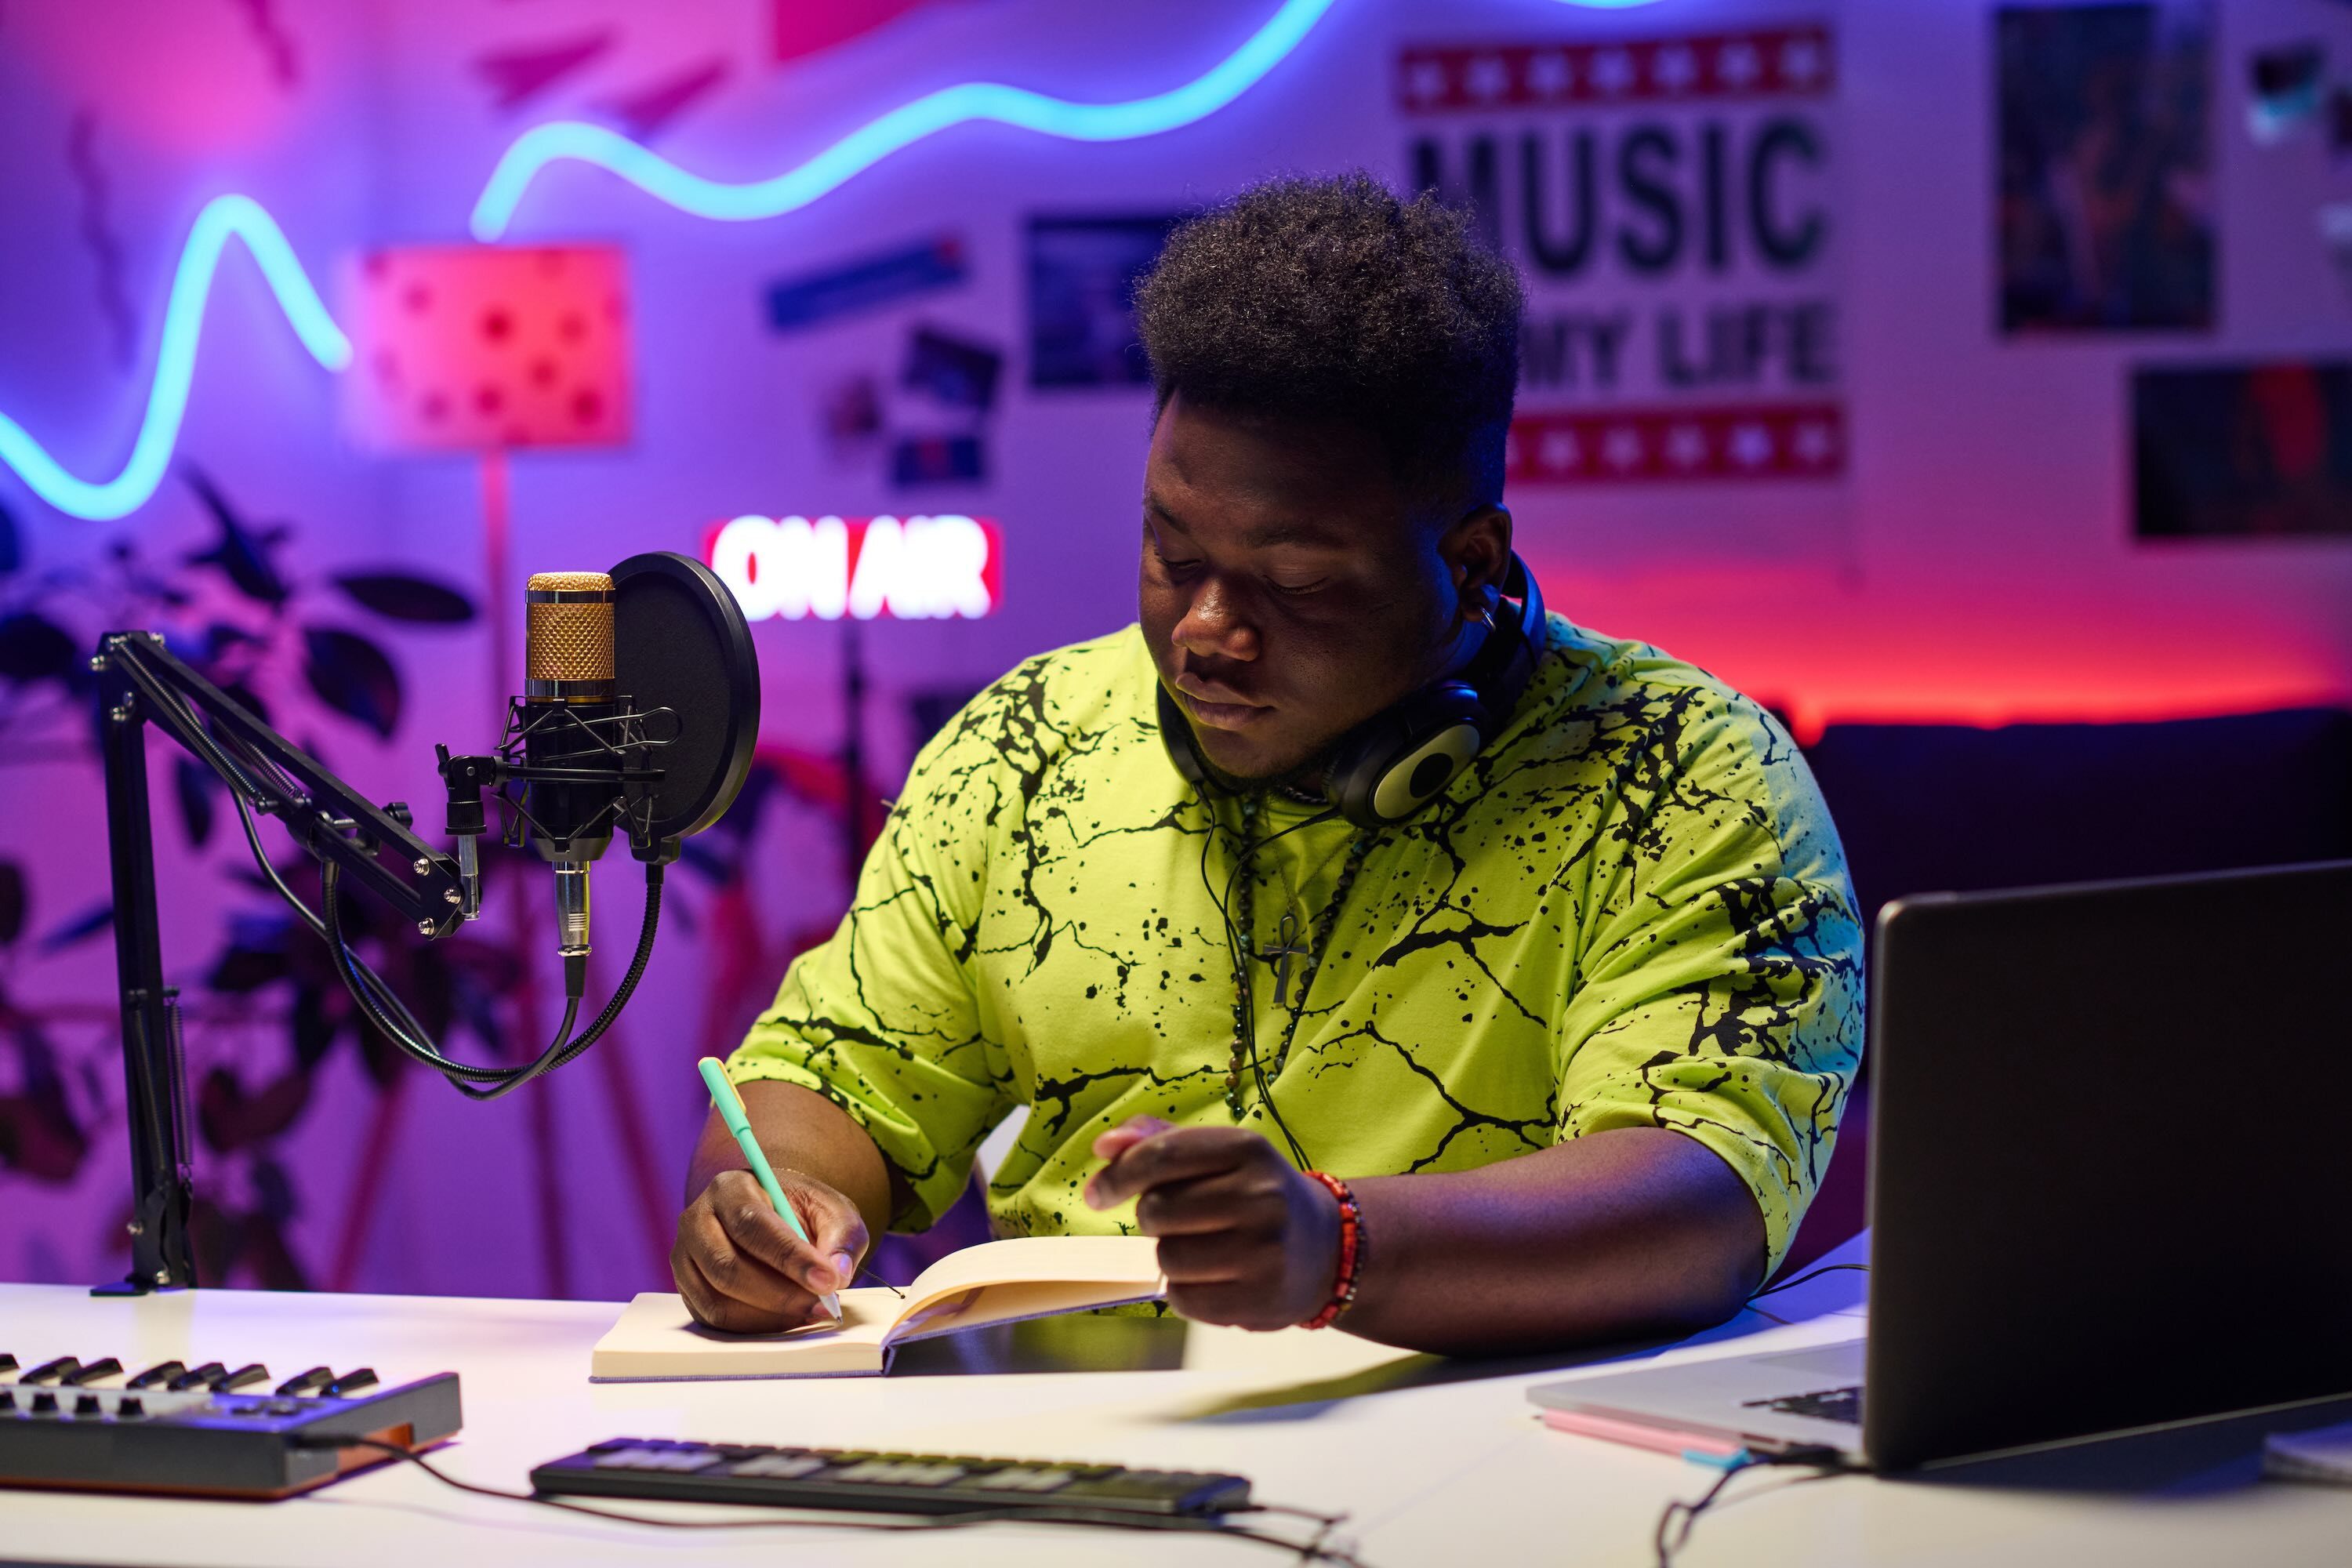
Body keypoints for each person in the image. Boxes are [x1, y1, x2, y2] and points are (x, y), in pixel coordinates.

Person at [673, 174, 1861, 1355]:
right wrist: (769, 1206)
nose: (1206, 632)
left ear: (1475, 562)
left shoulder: (1685, 774)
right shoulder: (1025, 747)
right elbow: (823, 1078)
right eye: (1172, 555)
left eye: (1295, 583)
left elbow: (1701, 1197)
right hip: (1076, 1464)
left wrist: (1336, 1250)